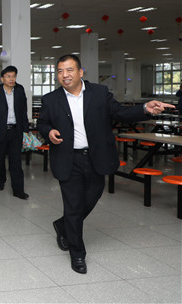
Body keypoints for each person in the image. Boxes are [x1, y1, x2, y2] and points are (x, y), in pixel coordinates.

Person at [38, 54, 174, 274]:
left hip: (95, 157)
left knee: (92, 196)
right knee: (73, 206)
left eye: (70, 70)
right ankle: (77, 253)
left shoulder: (99, 93)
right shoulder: (51, 99)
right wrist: (49, 131)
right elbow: (42, 123)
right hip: (68, 158)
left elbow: (120, 112)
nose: (65, 75)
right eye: (60, 71)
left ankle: (63, 225)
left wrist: (144, 109)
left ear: (80, 72)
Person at [0, 66, 30, 199]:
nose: (11, 79)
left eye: (13, 76)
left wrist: (25, 131)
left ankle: (18, 190)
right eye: (8, 76)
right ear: (2, 79)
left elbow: (23, 112)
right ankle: (0, 180)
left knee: (16, 161)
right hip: (1, 131)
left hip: (16, 131)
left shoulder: (19, 91)